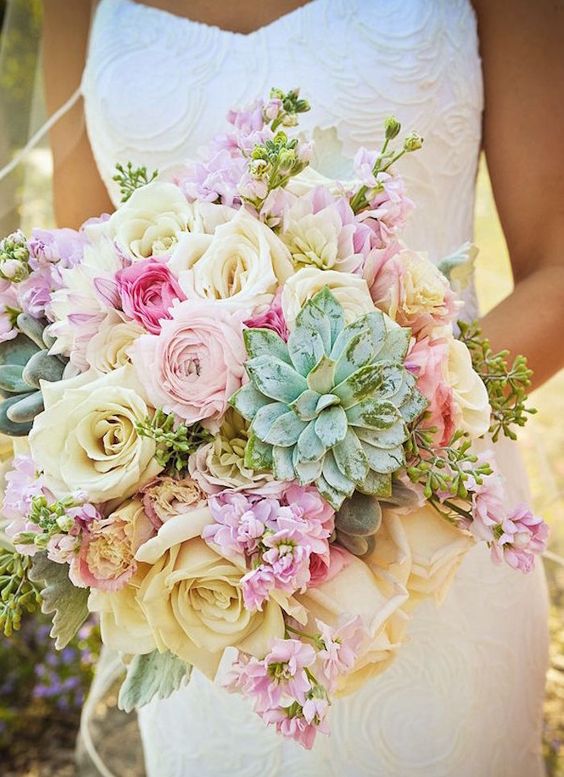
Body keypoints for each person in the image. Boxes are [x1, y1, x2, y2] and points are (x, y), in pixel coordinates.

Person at [36, 1, 564, 775]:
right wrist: (197, 477)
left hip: (438, 548)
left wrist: (362, 433)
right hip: (206, 577)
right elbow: (82, 285)